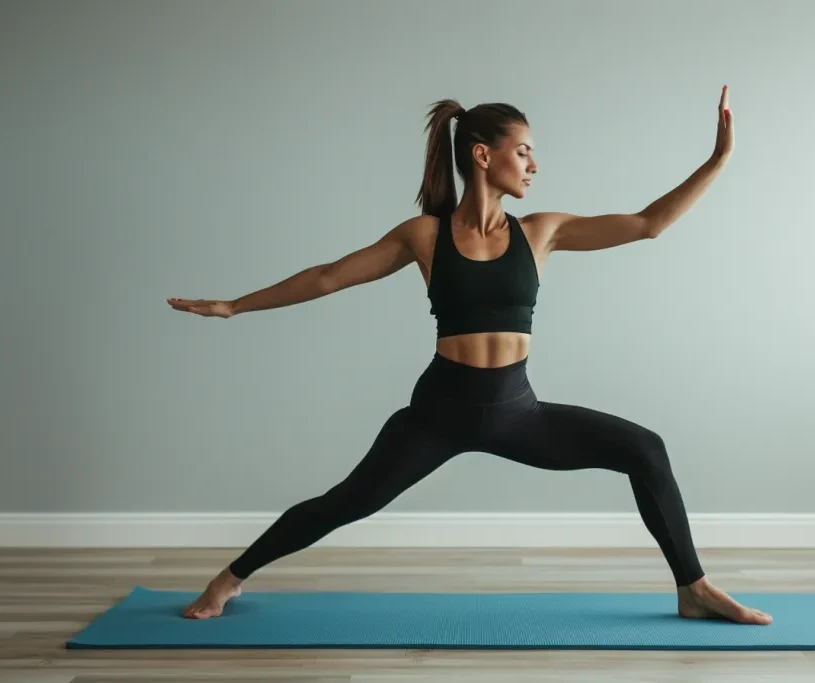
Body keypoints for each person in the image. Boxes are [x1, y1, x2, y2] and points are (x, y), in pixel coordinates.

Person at [167, 85, 772, 626]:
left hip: (517, 413)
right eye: (524, 150)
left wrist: (717, 160)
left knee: (645, 449)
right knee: (345, 503)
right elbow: (328, 277)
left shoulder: (542, 231)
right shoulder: (425, 236)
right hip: (438, 413)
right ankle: (229, 579)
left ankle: (693, 588)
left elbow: (647, 224)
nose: (535, 163)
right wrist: (233, 306)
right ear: (483, 155)